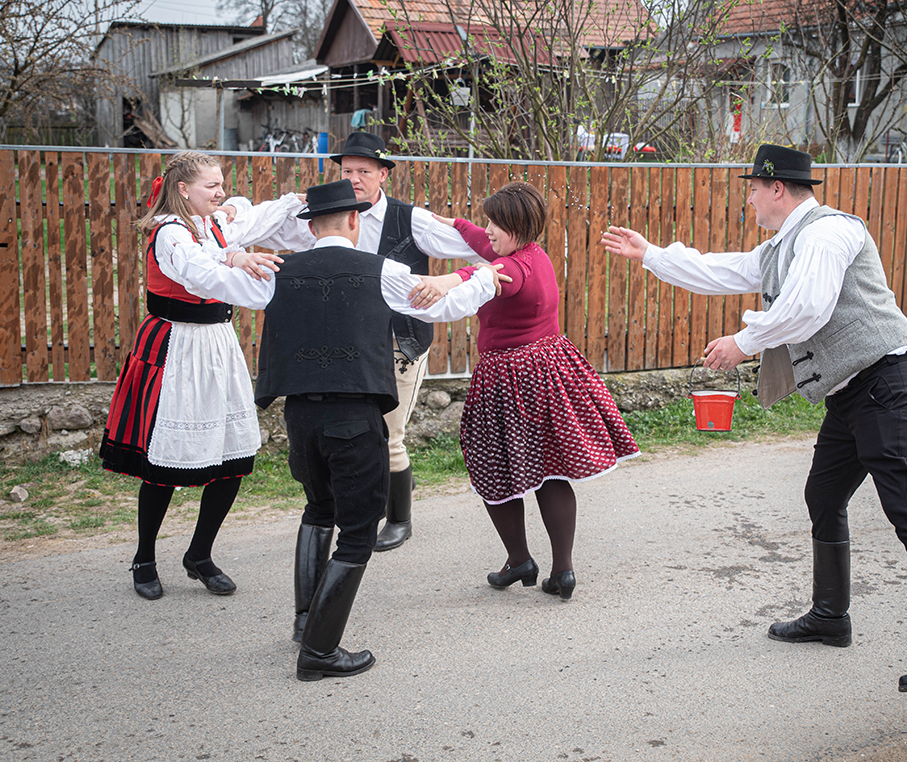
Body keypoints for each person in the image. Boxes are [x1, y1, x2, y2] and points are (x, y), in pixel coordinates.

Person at [603, 143, 907, 692]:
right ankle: (831, 616)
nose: (749, 198)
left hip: (889, 381)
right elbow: (724, 269)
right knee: (823, 496)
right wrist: (652, 254)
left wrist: (743, 341)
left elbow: (808, 307)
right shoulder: (783, 244)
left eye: (752, 188)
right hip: (853, 392)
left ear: (776, 188)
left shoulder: (830, 233)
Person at [252, 179, 506, 680]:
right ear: (353, 221)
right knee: (358, 531)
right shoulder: (381, 270)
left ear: (310, 226)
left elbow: (209, 281)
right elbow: (439, 307)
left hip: (299, 414)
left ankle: (307, 622)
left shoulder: (278, 270)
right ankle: (320, 652)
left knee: (318, 509)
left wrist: (235, 256)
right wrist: (486, 278)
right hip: (353, 416)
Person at [100, 150, 311, 600]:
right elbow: (199, 274)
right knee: (165, 461)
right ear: (183, 190)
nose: (220, 192)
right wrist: (241, 265)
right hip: (176, 346)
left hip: (217, 345)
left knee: (230, 455)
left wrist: (295, 200)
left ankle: (199, 553)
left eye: (220, 185)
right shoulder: (169, 235)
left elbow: (252, 216)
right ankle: (144, 558)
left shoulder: (213, 223)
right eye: (211, 186)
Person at [421, 182, 639, 601]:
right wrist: (459, 225)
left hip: (509, 379)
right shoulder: (533, 255)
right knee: (551, 470)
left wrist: (446, 281)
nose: (488, 231)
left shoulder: (512, 270)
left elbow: (481, 273)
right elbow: (485, 249)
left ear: (515, 228)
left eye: (494, 224)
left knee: (494, 470)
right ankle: (563, 570)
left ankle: (519, 558)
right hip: (549, 371)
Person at [329, 132, 484, 552]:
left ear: (383, 174)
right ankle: (366, 510)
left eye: (364, 171)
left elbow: (475, 251)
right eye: (347, 171)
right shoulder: (333, 216)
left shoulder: (410, 219)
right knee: (357, 431)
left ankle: (400, 519)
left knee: (388, 432)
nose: (355, 178)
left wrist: (480, 273)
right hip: (349, 341)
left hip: (401, 340)